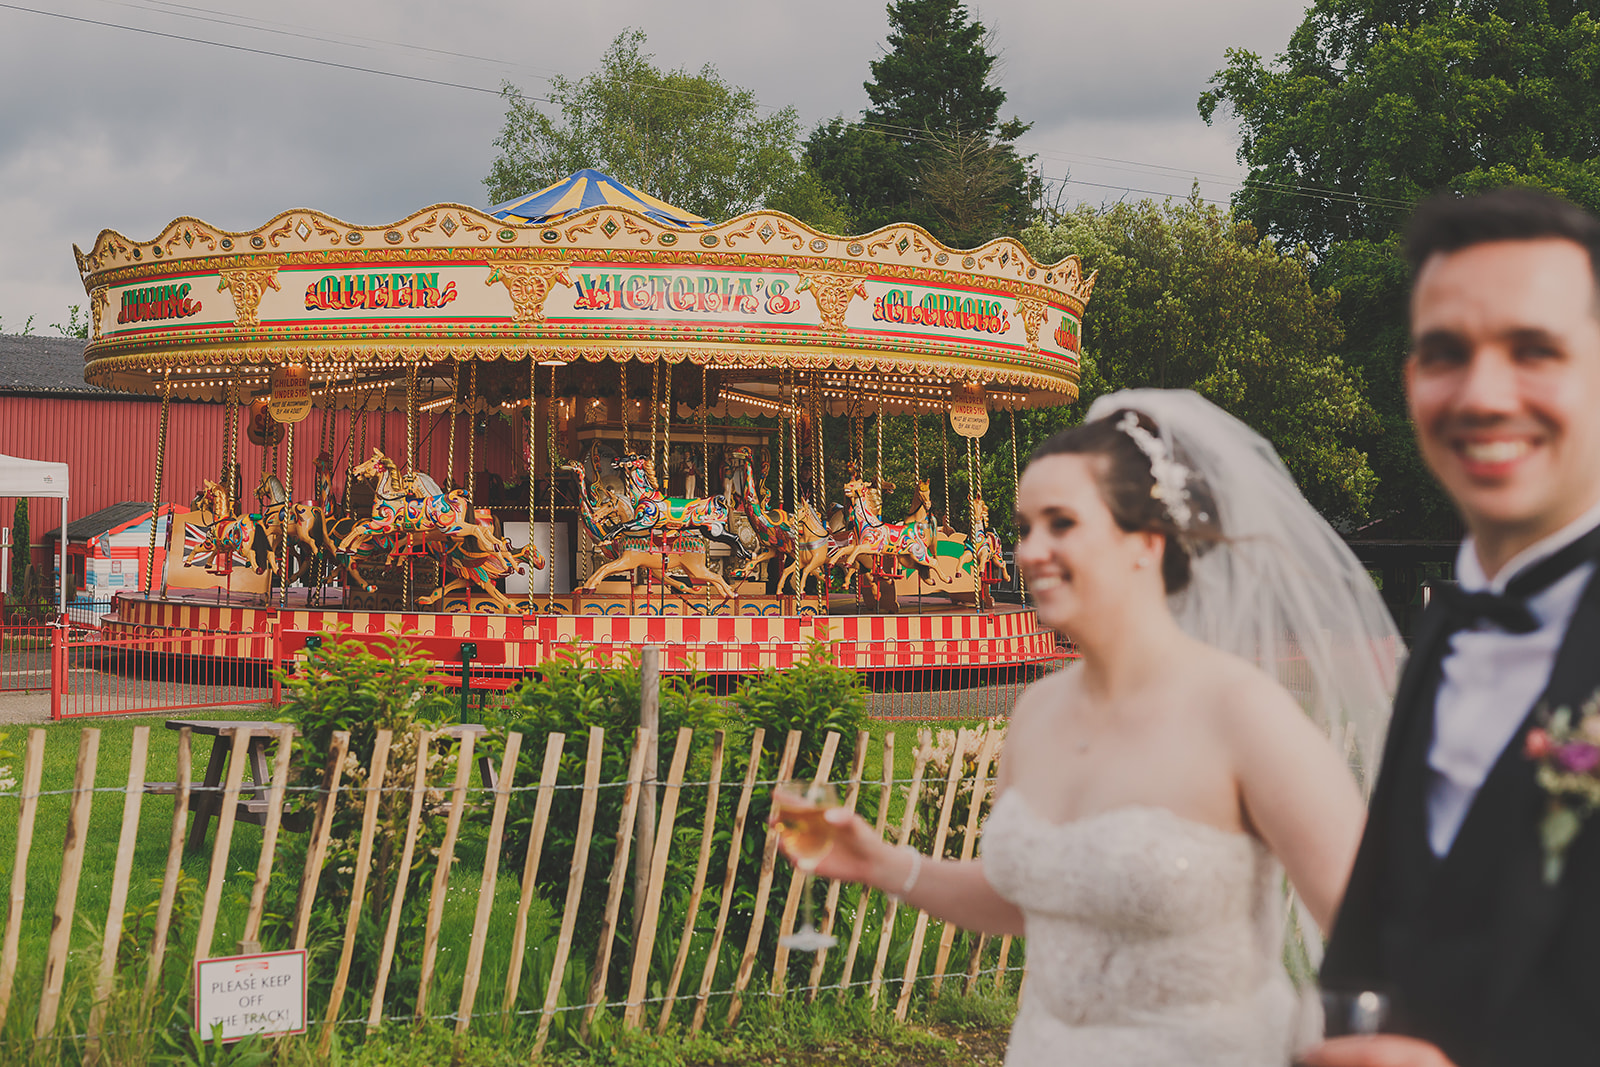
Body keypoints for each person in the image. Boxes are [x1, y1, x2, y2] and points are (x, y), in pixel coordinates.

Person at [790, 390, 1401, 1065]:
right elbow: (1026, 894)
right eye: (1024, 527)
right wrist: (885, 863)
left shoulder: (1241, 713)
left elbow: (1372, 930)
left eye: (1061, 523)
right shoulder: (1037, 714)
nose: (1031, 550)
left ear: (1146, 540)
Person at [1309, 189, 1600, 1067]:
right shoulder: (1445, 628)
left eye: (1534, 350)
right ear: (1410, 383)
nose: (1482, 394)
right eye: (1445, 354)